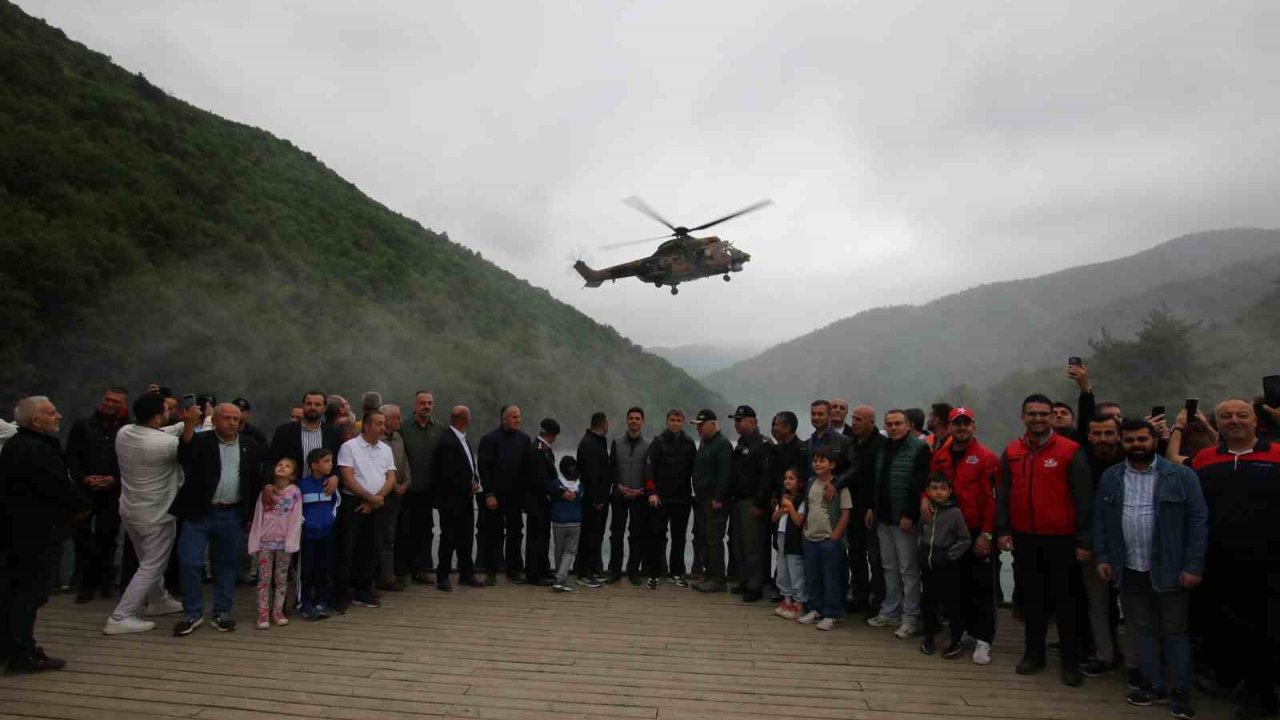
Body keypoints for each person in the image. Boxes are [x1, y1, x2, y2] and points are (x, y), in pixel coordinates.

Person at [1094, 419, 1206, 720]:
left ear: (1154, 439)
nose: (1136, 445)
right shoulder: (1112, 477)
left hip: (1170, 567)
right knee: (1140, 630)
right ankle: (1152, 684)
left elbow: (1198, 523)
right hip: (1128, 566)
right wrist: (1103, 557)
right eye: (1129, 440)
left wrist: (1192, 565)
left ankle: (1179, 690)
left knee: (1174, 631)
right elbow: (1101, 521)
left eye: (1142, 439)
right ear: (1122, 442)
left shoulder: (1181, 476)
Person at [1181, 399, 1280, 719]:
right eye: (1226, 416)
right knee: (1223, 623)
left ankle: (1262, 696)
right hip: (1217, 556)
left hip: (1268, 559)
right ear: (1217, 423)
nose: (1234, 420)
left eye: (1241, 415)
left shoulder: (1277, 453)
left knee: (1265, 627)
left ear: (1256, 421)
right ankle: (1232, 682)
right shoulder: (1205, 459)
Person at [996, 393, 1092, 687]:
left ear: (1052, 417)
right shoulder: (1012, 450)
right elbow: (1003, 494)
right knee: (1032, 600)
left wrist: (1083, 541)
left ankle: (1070, 661)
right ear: (1022, 417)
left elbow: (1084, 498)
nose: (1037, 418)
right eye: (1032, 414)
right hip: (1025, 537)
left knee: (1066, 602)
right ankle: (1033, 653)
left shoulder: (1070, 450)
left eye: (1043, 414)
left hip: (1061, 539)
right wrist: (1003, 530)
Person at [0, 396, 89, 672]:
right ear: (36, 421)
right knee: (30, 595)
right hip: (37, 534)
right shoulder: (37, 450)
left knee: (14, 592)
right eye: (52, 413)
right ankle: (23, 655)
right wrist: (81, 506)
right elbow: (57, 487)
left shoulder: (15, 445)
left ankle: (11, 646)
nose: (58, 416)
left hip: (16, 532)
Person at [103, 394, 196, 636]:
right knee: (153, 564)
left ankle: (158, 600)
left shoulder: (125, 432)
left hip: (130, 508)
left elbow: (161, 432)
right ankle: (120, 616)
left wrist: (186, 422)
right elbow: (187, 451)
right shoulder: (162, 445)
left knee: (145, 557)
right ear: (157, 417)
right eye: (166, 410)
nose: (169, 412)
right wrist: (191, 425)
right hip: (156, 513)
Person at [171, 403, 267, 636]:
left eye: (236, 418)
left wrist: (253, 514)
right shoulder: (202, 441)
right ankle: (192, 613)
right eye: (226, 418)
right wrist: (189, 424)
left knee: (227, 565)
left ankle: (222, 612)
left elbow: (255, 480)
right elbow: (183, 455)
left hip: (232, 513)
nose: (232, 422)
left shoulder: (249, 445)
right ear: (214, 421)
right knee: (189, 561)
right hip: (200, 512)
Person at [926, 407, 998, 665]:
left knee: (981, 586)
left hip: (977, 529)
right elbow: (931, 483)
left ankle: (984, 639)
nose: (961, 428)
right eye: (957, 424)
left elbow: (992, 500)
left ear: (973, 427)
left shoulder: (986, 457)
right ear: (950, 427)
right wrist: (925, 500)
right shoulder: (941, 455)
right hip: (950, 532)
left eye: (966, 424)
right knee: (956, 587)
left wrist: (987, 535)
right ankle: (962, 633)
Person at [866, 409, 930, 640]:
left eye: (898, 424)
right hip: (883, 517)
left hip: (905, 519)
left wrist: (909, 514)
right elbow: (877, 481)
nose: (893, 428)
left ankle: (911, 616)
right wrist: (872, 508)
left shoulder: (919, 449)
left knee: (908, 570)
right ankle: (891, 610)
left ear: (908, 425)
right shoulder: (883, 448)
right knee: (889, 567)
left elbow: (918, 484)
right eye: (889, 424)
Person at [66, 386, 129, 603]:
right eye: (108, 400)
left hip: (113, 490)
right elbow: (72, 456)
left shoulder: (129, 428)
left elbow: (131, 461)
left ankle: (105, 584)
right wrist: (83, 478)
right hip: (85, 490)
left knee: (108, 536)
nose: (110, 404)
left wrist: (115, 478)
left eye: (116, 402)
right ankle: (85, 586)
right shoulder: (83, 425)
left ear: (124, 405)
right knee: (82, 537)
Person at [1078, 415, 1127, 680]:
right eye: (1097, 433)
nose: (1103, 439)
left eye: (1109, 433)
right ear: (1088, 436)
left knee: (1134, 607)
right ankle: (1105, 656)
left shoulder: (1134, 461)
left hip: (1133, 545)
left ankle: (1139, 663)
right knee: (1097, 604)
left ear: (1118, 435)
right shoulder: (1083, 460)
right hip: (1094, 543)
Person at [333, 410, 396, 612]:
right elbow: (347, 477)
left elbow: (391, 477)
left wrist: (377, 499)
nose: (383, 427)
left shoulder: (386, 449)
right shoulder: (349, 447)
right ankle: (340, 595)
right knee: (347, 549)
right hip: (353, 504)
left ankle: (363, 592)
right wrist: (369, 498)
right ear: (367, 426)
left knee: (371, 549)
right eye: (378, 423)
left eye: (384, 424)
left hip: (376, 505)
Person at [477, 405, 535, 585]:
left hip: (516, 495)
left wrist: (527, 496)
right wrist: (489, 494)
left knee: (516, 533)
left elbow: (527, 469)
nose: (518, 420)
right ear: (504, 419)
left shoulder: (524, 439)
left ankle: (514, 569)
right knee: (493, 534)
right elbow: (484, 468)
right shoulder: (489, 439)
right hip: (496, 495)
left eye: (519, 416)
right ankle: (491, 571)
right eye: (514, 417)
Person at [796, 447, 851, 631]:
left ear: (832, 464)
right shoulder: (811, 483)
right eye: (815, 461)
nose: (817, 464)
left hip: (829, 539)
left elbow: (845, 514)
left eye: (823, 461)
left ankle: (832, 613)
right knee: (813, 576)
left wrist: (835, 536)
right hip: (810, 537)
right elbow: (808, 507)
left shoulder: (839, 486)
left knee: (831, 577)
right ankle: (815, 608)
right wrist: (804, 529)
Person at [918, 473, 972, 656]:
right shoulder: (926, 510)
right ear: (927, 491)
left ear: (949, 491)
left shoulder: (955, 513)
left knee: (951, 603)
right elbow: (920, 531)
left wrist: (949, 556)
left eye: (943, 489)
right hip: (928, 563)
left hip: (947, 565)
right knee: (928, 603)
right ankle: (928, 637)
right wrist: (921, 552)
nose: (939, 493)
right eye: (934, 488)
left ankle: (956, 640)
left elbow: (964, 539)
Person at [247, 458, 303, 629]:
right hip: (265, 542)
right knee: (263, 579)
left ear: (292, 475)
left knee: (281, 579)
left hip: (283, 543)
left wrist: (291, 542)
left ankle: (277, 611)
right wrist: (254, 541)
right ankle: (262, 613)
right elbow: (258, 516)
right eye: (279, 465)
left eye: (287, 466)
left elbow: (296, 519)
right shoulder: (266, 493)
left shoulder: (294, 493)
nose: (282, 467)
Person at [644, 409, 696, 587]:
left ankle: (676, 572)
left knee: (679, 537)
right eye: (672, 420)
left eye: (678, 420)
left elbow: (694, 471)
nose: (675, 423)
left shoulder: (689, 443)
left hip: (682, 498)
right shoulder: (658, 442)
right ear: (667, 421)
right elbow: (649, 469)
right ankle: (653, 574)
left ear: (683, 422)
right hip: (661, 498)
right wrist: (651, 493)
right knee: (656, 536)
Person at [399, 391, 443, 585]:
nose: (427, 406)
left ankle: (424, 568)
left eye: (430, 403)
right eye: (423, 403)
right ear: (415, 405)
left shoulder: (440, 429)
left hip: (430, 489)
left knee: (427, 529)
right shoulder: (403, 428)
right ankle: (403, 570)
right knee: (405, 529)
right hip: (408, 489)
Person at [728, 405, 771, 602]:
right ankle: (744, 581)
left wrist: (759, 504)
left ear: (752, 422)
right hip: (738, 500)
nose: (736, 423)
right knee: (738, 543)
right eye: (735, 420)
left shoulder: (762, 444)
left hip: (751, 501)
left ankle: (755, 586)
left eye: (740, 420)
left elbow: (766, 477)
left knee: (753, 545)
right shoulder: (742, 442)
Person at [848, 404, 886, 616]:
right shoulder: (851, 443)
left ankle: (878, 599)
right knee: (855, 554)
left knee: (876, 557)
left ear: (872, 422)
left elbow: (880, 479)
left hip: (872, 508)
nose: (854, 423)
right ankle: (860, 595)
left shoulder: (881, 445)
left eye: (859, 419)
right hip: (852, 506)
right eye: (853, 418)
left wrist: (873, 505)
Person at [691, 409, 733, 593]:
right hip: (701, 500)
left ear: (713, 424)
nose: (698, 428)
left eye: (701, 425)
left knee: (714, 539)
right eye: (697, 425)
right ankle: (708, 574)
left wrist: (718, 498)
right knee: (705, 538)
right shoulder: (704, 443)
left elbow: (725, 475)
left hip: (714, 502)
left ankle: (718, 578)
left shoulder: (722, 444)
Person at [609, 408, 651, 586]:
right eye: (631, 418)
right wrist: (618, 486)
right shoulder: (616, 442)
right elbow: (611, 468)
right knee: (616, 534)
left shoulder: (649, 445)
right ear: (627, 421)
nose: (634, 421)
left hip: (639, 496)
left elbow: (650, 471)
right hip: (619, 495)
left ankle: (634, 571)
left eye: (637, 418)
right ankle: (615, 572)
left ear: (642, 422)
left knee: (637, 535)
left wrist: (642, 489)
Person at [269, 391, 340, 495]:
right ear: (303, 406)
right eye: (309, 403)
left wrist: (336, 476)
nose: (312, 407)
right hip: (289, 491)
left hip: (320, 491)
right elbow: (271, 460)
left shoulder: (333, 433)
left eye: (317, 404)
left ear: (324, 408)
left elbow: (339, 460)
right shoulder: (284, 431)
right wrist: (267, 484)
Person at [298, 447, 339, 620]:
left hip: (327, 534)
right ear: (314, 465)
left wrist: (330, 521)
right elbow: (297, 510)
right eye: (326, 461)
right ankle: (305, 603)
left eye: (331, 461)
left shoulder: (330, 484)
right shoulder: (302, 485)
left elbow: (336, 505)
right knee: (307, 570)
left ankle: (321, 601)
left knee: (325, 569)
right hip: (308, 536)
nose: (330, 464)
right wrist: (306, 525)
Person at [376, 404, 411, 591]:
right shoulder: (377, 440)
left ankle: (389, 575)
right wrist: (391, 485)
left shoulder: (398, 437)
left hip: (397, 496)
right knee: (380, 536)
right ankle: (381, 577)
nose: (399, 421)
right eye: (395, 418)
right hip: (381, 495)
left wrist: (406, 482)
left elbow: (404, 462)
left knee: (391, 535)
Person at [576, 412, 610, 585]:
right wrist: (597, 499)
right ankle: (583, 573)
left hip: (598, 498)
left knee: (595, 536)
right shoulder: (590, 444)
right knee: (588, 536)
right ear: (604, 424)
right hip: (592, 499)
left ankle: (593, 570)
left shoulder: (596, 442)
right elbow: (591, 474)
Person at [771, 468, 807, 620]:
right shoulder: (784, 498)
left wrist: (790, 507)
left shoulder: (802, 500)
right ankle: (786, 599)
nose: (787, 481)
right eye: (786, 478)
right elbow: (774, 518)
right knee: (783, 570)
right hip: (781, 536)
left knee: (795, 571)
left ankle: (799, 603)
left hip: (794, 539)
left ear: (799, 483)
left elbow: (799, 521)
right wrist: (782, 508)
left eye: (792, 478)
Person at [526, 418, 558, 587]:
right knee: (536, 537)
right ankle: (534, 573)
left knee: (543, 536)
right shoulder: (538, 450)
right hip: (537, 501)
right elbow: (540, 480)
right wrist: (558, 490)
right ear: (553, 435)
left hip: (542, 502)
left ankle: (543, 568)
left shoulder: (542, 448)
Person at [550, 456, 586, 592]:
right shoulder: (580, 486)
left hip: (558, 522)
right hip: (574, 522)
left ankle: (559, 577)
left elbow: (550, 495)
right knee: (570, 551)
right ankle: (560, 579)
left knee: (559, 550)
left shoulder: (555, 484)